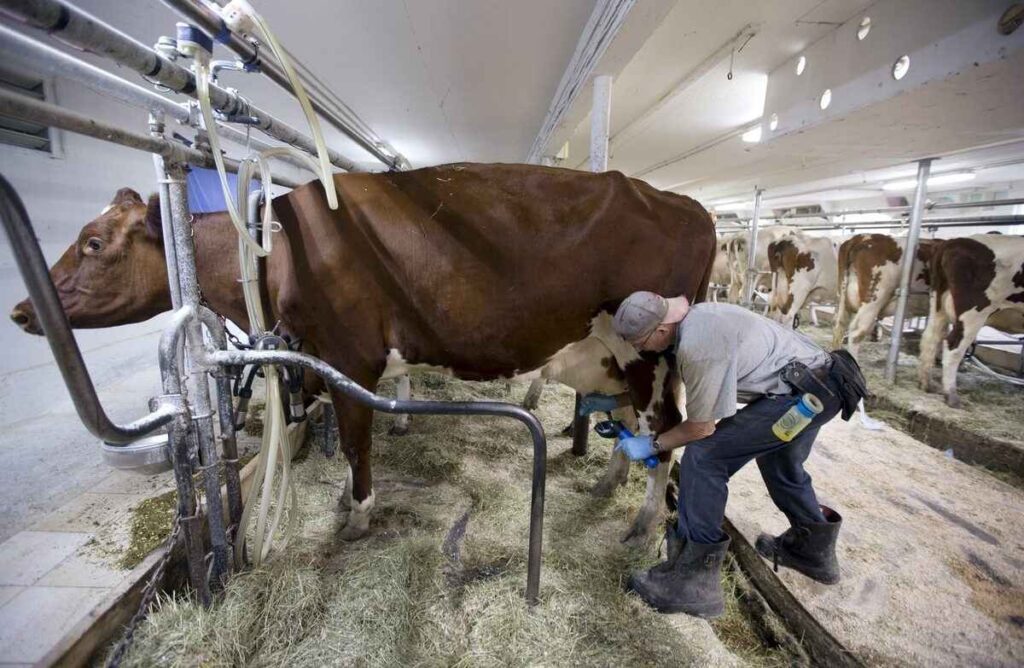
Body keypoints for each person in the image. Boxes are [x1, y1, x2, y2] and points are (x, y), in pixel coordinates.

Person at [584, 291, 867, 618]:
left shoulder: (697, 348)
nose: (638, 349)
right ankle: (813, 550)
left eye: (639, 342)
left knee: (705, 458)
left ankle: (694, 582)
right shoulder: (698, 318)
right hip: (821, 382)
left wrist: (651, 444)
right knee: (780, 462)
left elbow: (702, 429)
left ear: (661, 331)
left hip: (806, 393)